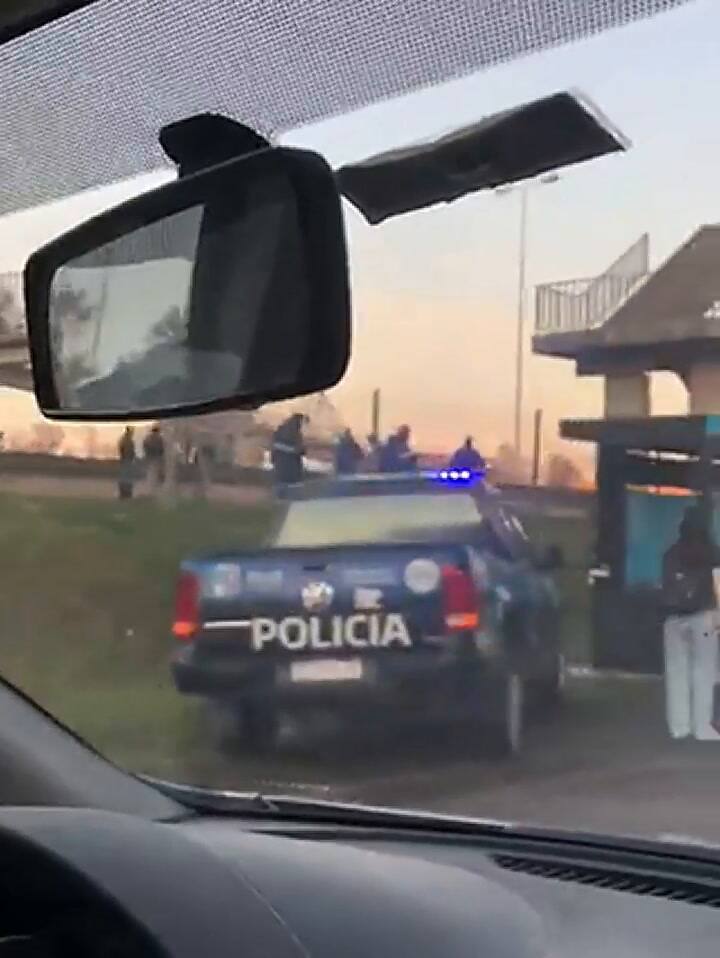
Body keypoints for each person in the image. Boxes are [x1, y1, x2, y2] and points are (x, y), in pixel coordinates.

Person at [661, 504, 720, 740]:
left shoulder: (671, 553)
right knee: (704, 672)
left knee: (676, 673)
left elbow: (665, 588)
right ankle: (703, 727)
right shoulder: (713, 552)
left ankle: (679, 726)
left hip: (673, 618)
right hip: (704, 617)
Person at [270, 413, 306, 492]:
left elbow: (274, 447)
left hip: (284, 466)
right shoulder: (295, 434)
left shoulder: (280, 431)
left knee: (283, 486)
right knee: (290, 487)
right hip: (289, 467)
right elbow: (300, 450)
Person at [143, 424, 165, 497]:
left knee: (151, 474)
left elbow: (145, 447)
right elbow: (162, 449)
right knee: (157, 474)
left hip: (150, 458)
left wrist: (147, 454)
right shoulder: (159, 438)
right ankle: (156, 491)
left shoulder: (147, 438)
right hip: (157, 458)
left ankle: (150, 490)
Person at [117, 426, 136, 500]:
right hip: (126, 460)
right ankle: (126, 493)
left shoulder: (124, 439)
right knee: (126, 477)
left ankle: (125, 493)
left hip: (125, 460)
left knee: (125, 477)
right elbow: (127, 451)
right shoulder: (127, 440)